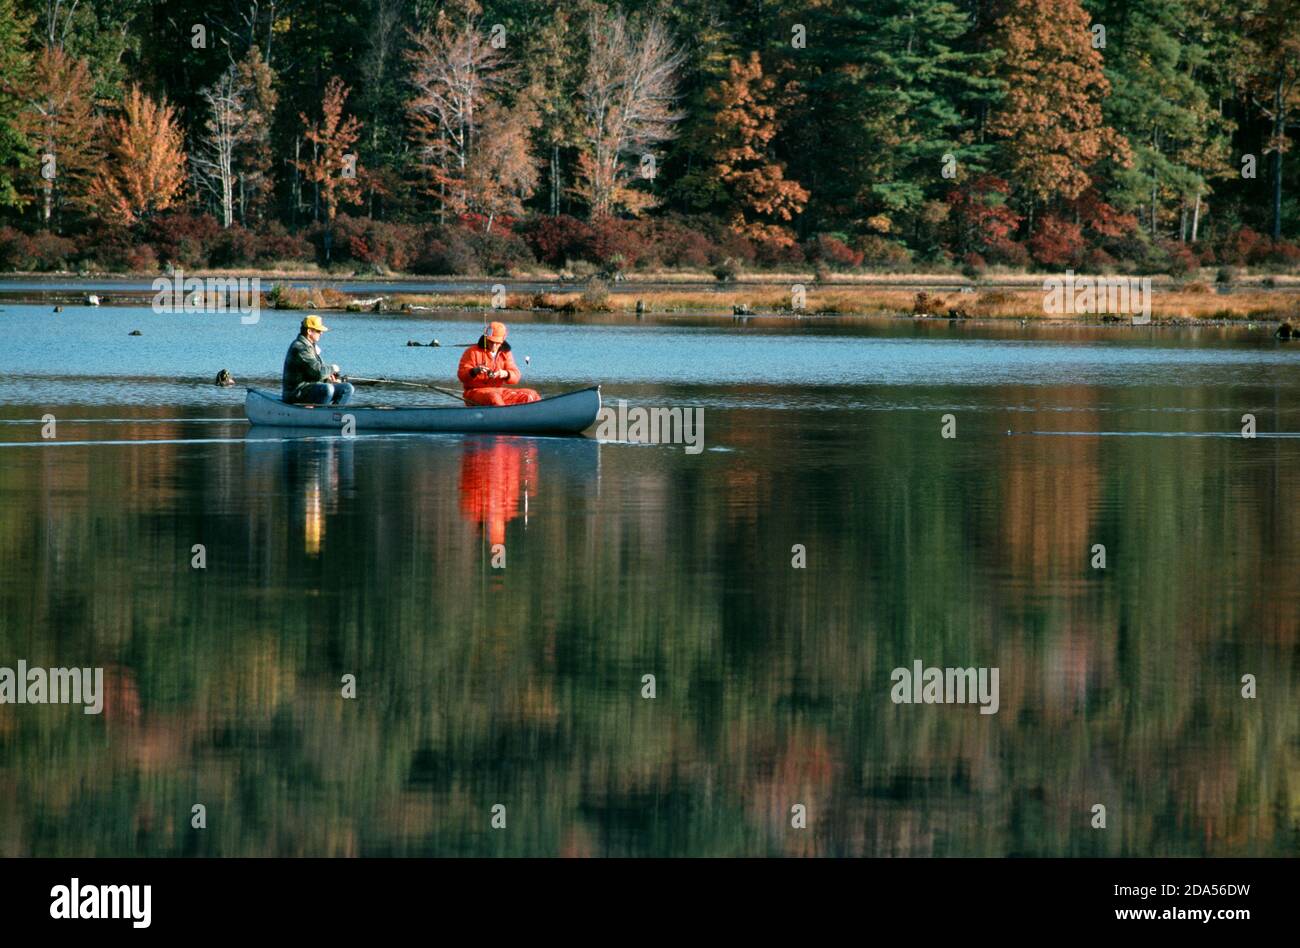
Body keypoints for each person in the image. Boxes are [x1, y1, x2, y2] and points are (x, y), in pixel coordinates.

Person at [457, 321, 540, 406]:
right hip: (474, 392)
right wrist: (474, 371)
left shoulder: (505, 353)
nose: (493, 346)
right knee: (494, 398)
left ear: (502, 341)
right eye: (491, 342)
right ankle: (503, 416)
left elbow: (516, 376)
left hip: (498, 390)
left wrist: (505, 374)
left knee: (531, 394)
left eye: (496, 343)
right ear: (486, 339)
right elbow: (461, 375)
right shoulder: (472, 351)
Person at [282, 315, 354, 405]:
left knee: (347, 388)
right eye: (318, 331)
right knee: (327, 389)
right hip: (294, 393)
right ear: (309, 331)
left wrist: (328, 379)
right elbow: (318, 372)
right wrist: (333, 368)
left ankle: (333, 414)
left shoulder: (310, 346)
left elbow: (313, 374)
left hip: (308, 388)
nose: (321, 333)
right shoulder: (300, 348)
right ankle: (319, 415)